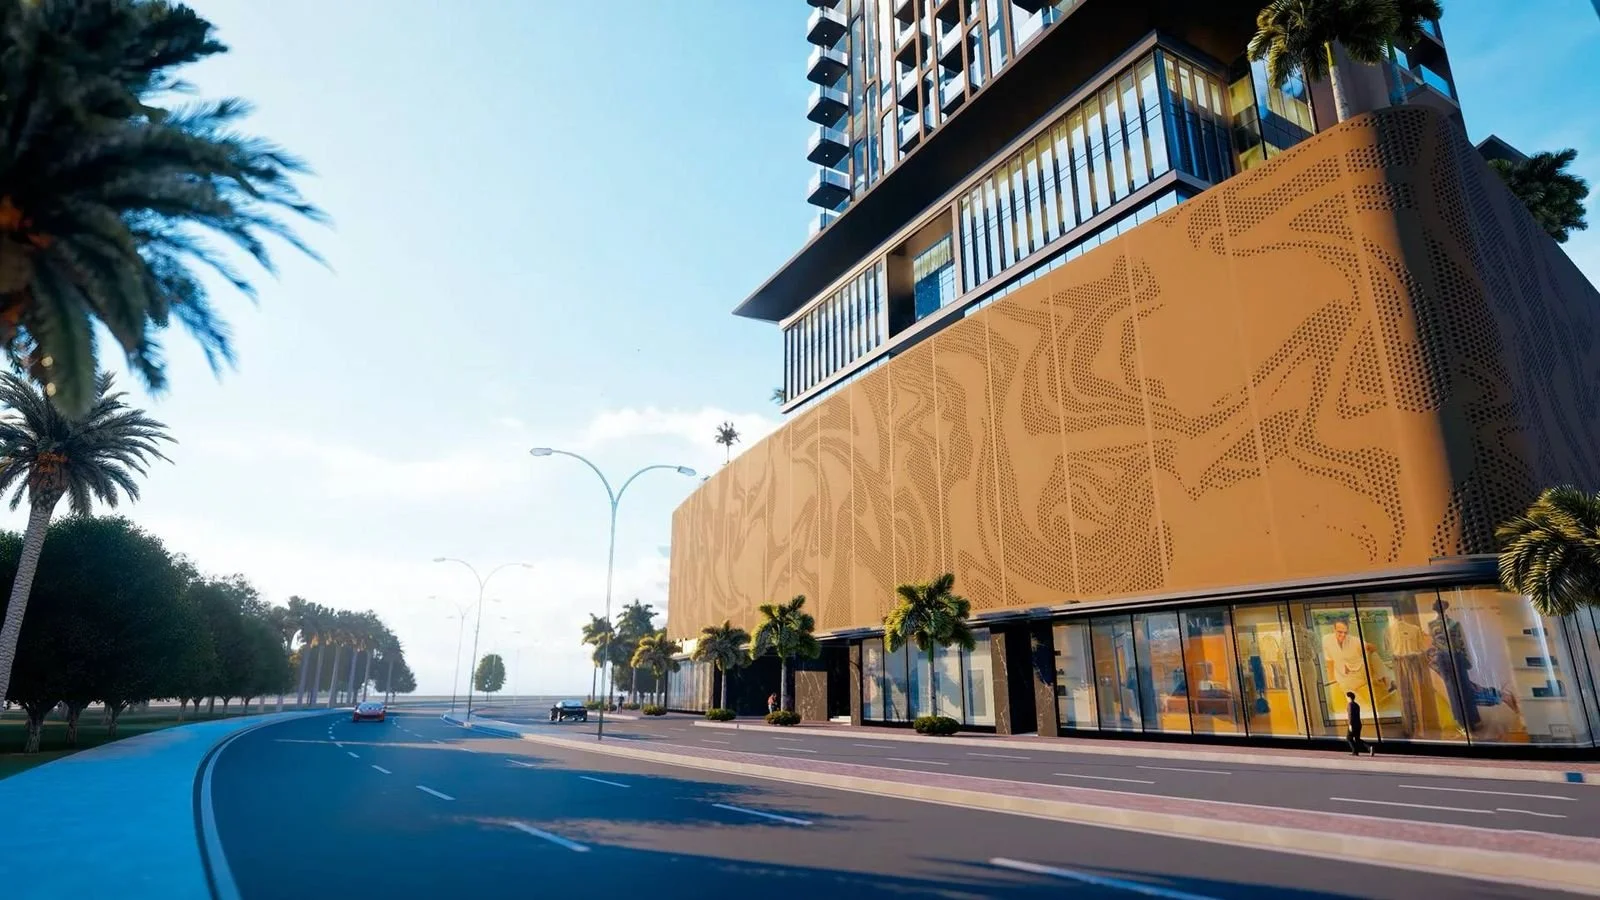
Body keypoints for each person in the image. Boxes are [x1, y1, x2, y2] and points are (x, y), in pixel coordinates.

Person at [1346, 691, 1375, 756]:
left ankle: (1355, 751)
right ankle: (1369, 747)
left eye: (1347, 697)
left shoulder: (1350, 704)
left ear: (1349, 697)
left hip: (1353, 724)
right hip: (1358, 724)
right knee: (1357, 739)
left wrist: (1350, 724)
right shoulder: (1357, 705)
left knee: (1349, 738)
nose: (1346, 698)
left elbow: (1350, 715)